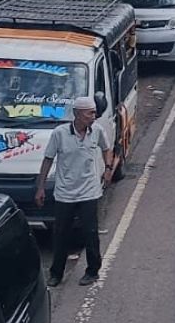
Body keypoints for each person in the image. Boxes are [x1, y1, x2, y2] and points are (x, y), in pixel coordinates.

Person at [35, 96, 115, 287]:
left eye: (94, 112)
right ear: (77, 114)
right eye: (90, 113)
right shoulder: (60, 134)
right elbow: (48, 159)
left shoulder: (97, 130)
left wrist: (108, 168)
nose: (94, 116)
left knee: (90, 233)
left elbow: (106, 149)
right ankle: (56, 274)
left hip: (89, 192)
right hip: (65, 193)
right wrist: (40, 187)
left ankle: (93, 270)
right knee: (61, 234)